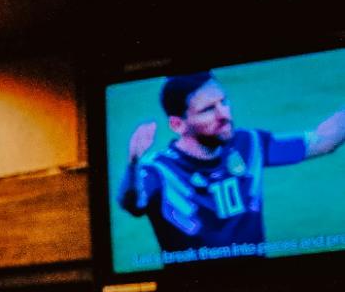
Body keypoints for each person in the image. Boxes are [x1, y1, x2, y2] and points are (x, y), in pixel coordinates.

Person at [118, 70, 345, 258]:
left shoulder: (249, 144)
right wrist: (133, 163)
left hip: (259, 288)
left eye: (223, 102)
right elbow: (132, 203)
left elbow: (323, 141)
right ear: (178, 125)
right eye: (208, 109)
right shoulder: (159, 170)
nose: (224, 114)